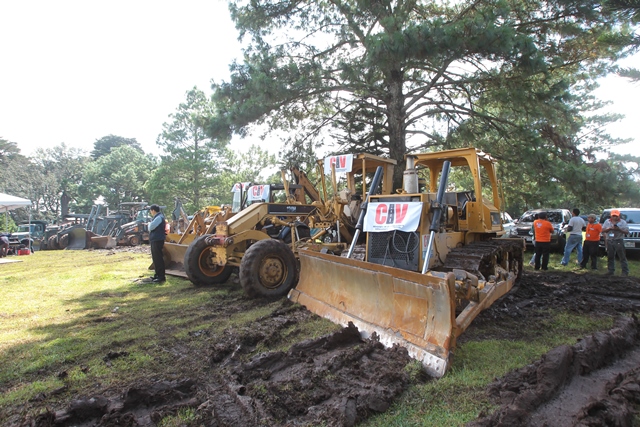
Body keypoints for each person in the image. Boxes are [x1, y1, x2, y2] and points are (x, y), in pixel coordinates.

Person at [601, 209, 629, 276]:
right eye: (613, 216)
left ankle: (625, 271)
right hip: (609, 240)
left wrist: (619, 229)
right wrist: (609, 229)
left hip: (618, 240)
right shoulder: (607, 221)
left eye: (616, 216)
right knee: (610, 256)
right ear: (611, 216)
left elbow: (627, 232)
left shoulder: (623, 222)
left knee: (622, 256)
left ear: (619, 216)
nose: (615, 217)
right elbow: (603, 230)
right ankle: (610, 271)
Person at [148, 204, 167, 283]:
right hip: (155, 239)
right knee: (155, 258)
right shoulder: (157, 217)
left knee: (158, 258)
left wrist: (149, 224)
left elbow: (151, 227)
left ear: (153, 210)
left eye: (150, 211)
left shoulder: (159, 217)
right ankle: (157, 275)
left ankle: (161, 276)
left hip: (157, 240)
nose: (150, 212)